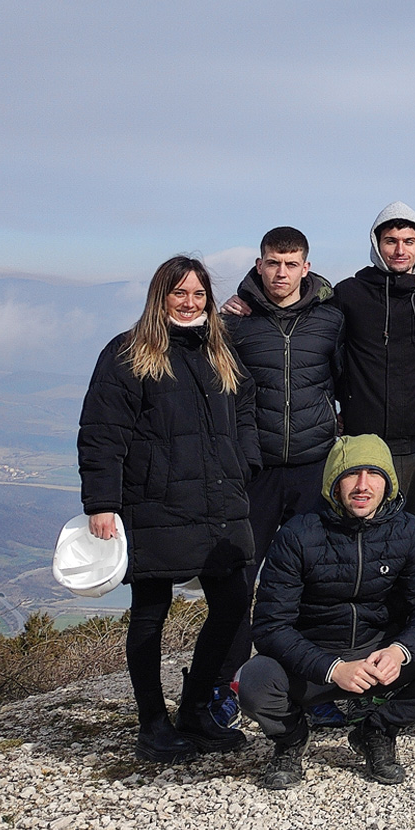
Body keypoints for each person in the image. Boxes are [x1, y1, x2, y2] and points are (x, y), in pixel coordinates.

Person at [78, 256, 259, 763]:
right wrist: (102, 503)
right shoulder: (129, 352)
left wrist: (244, 460)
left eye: (198, 294)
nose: (190, 302)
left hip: (218, 504)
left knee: (229, 606)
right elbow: (101, 433)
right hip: (152, 503)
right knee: (150, 614)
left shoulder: (220, 350)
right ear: (160, 297)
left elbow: (245, 410)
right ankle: (152, 724)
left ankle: (196, 707)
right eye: (179, 293)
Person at [238, 435, 415, 788]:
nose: (363, 486)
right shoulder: (297, 535)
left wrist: (400, 651)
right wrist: (332, 668)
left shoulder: (406, 529)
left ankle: (378, 731)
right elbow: (271, 627)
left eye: (374, 474)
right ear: (333, 482)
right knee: (255, 681)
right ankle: (290, 740)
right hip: (315, 665)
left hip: (381, 659)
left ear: (388, 483)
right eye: (352, 474)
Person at [218, 227, 345, 724]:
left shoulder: (331, 319)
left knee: (316, 582)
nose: (282, 273)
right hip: (258, 469)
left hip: (315, 465)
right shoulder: (234, 324)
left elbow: (348, 377)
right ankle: (224, 685)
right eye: (274, 263)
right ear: (259, 263)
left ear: (306, 268)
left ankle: (316, 687)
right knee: (240, 580)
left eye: (291, 264)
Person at [329, 203, 415, 546]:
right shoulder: (348, 294)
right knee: (363, 543)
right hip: (365, 445)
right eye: (391, 240)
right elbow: (311, 335)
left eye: (409, 241)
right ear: (376, 244)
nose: (400, 250)